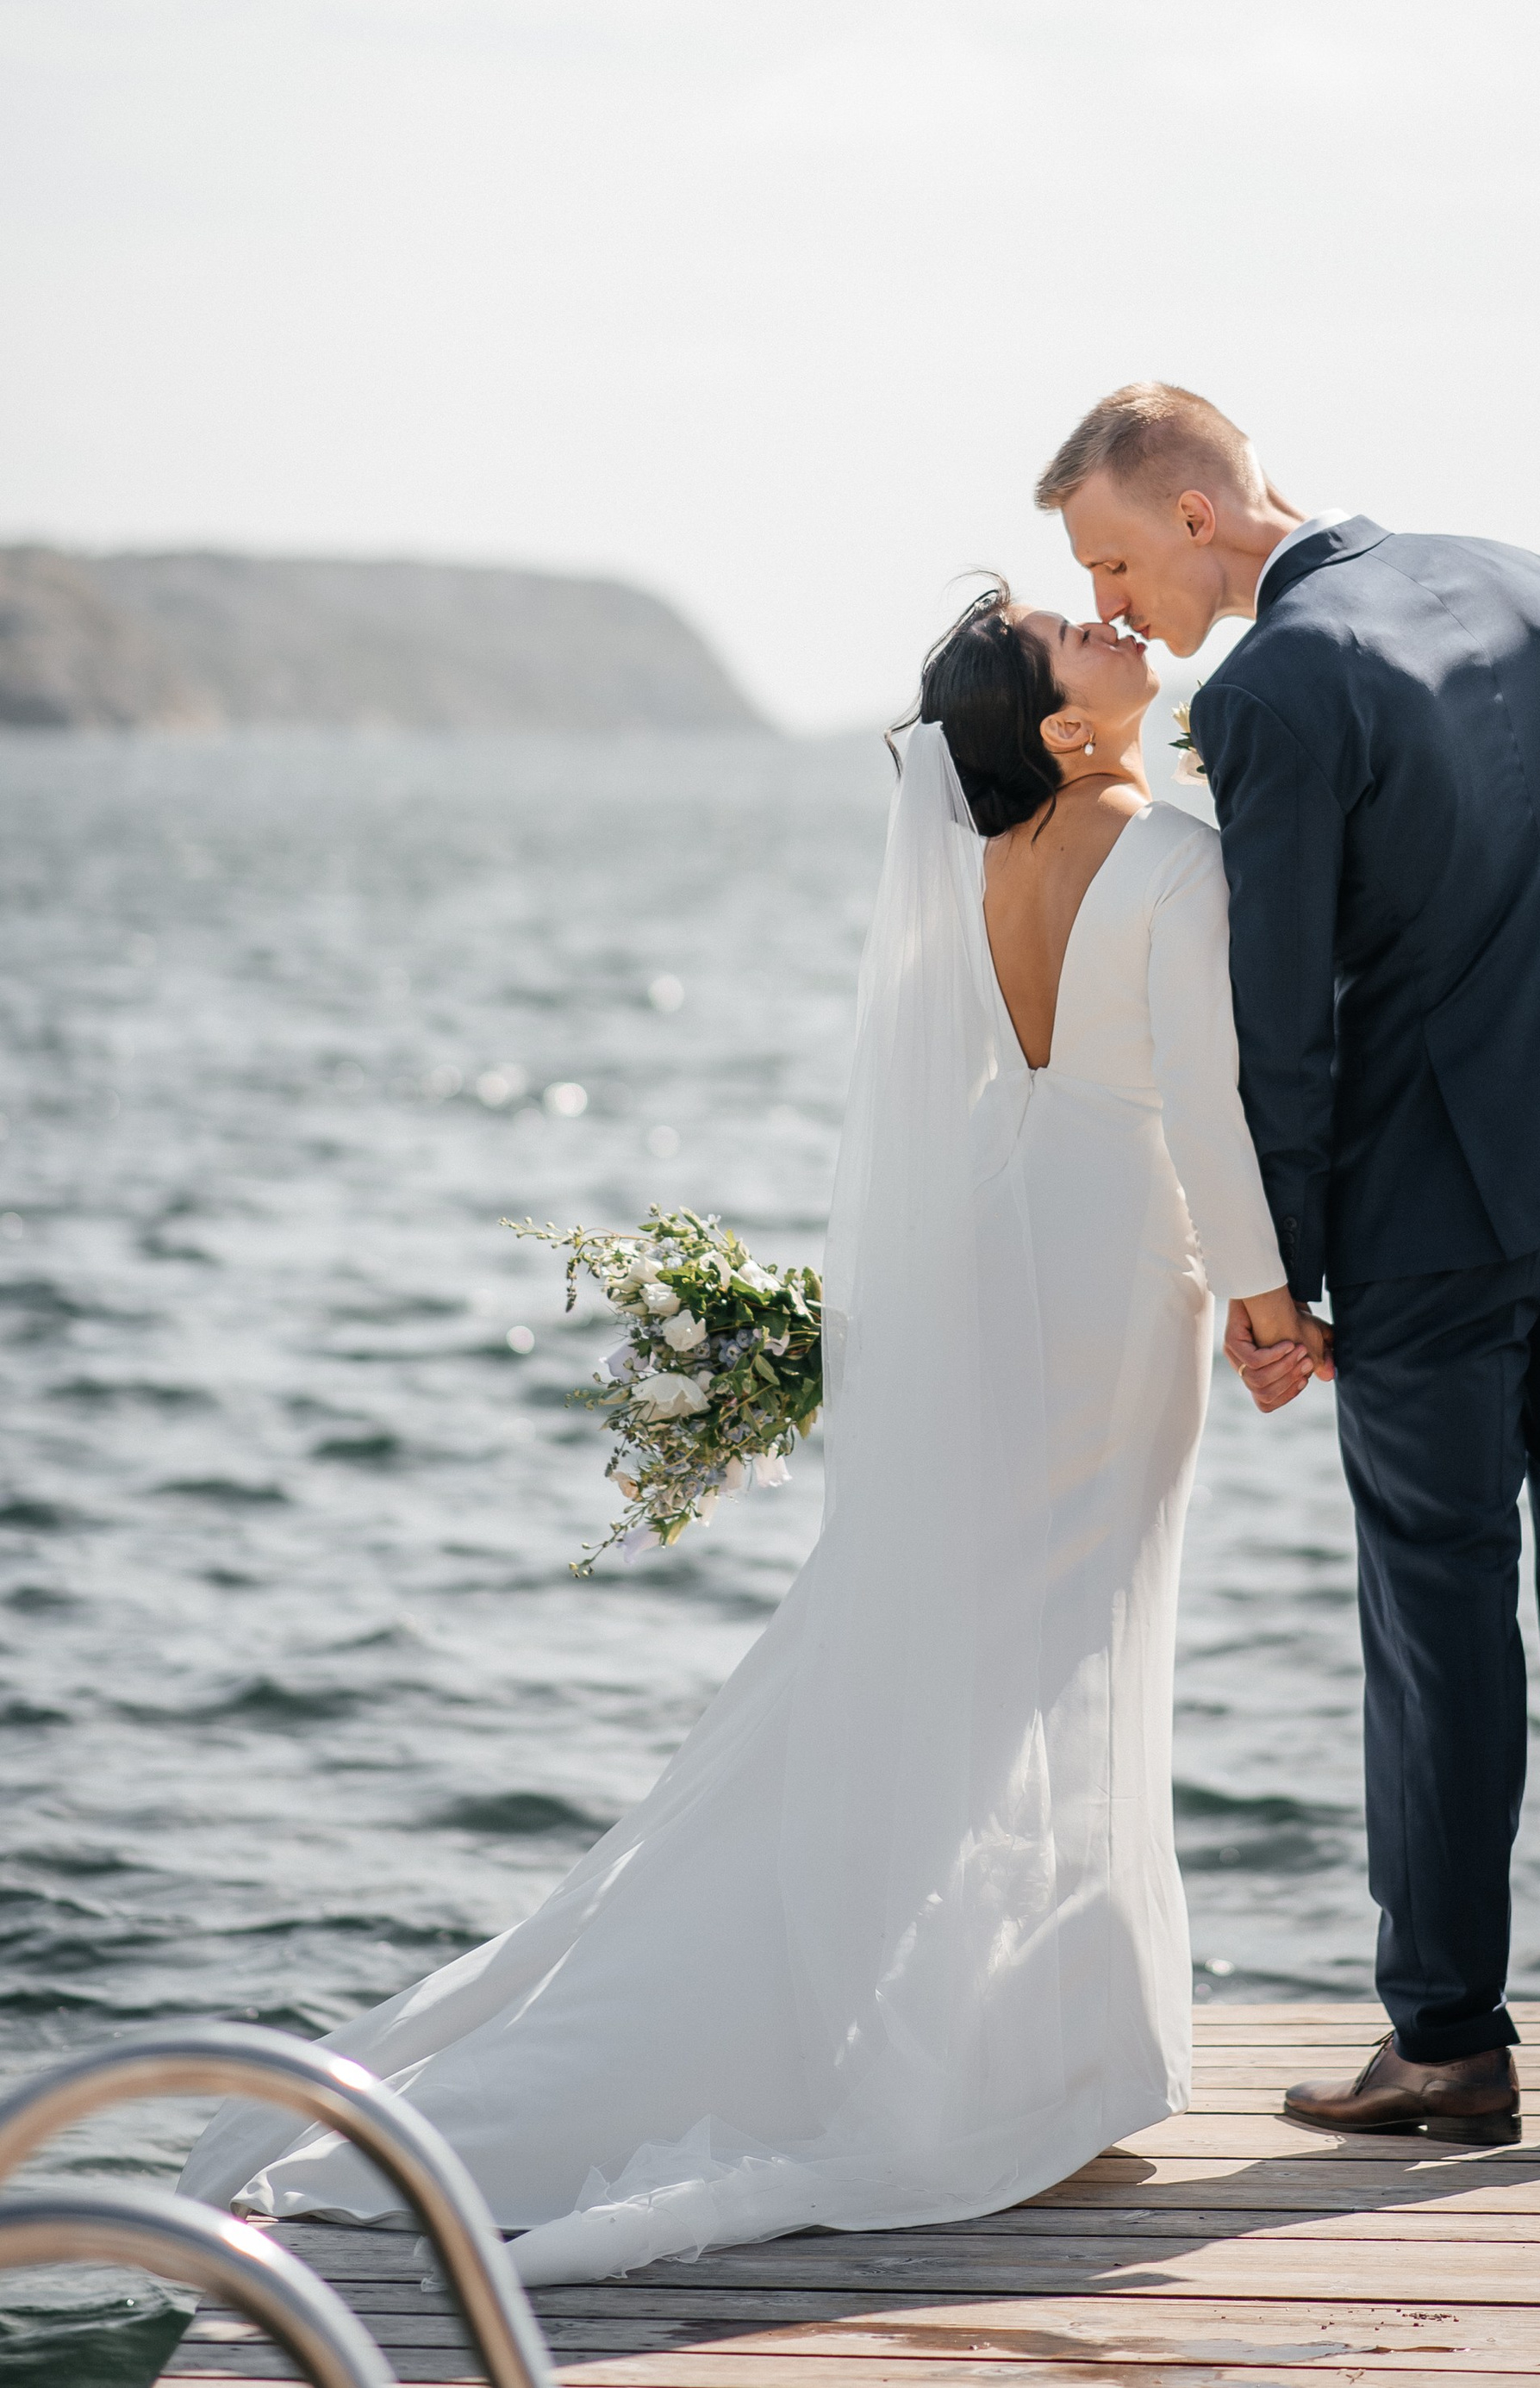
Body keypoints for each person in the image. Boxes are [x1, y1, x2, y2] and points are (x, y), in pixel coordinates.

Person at [180, 585, 1299, 2274]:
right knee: (1076, 1638)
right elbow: (1205, 1102)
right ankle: (1032, 2051)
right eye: (1073, 636)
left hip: (1000, 1250)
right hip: (1119, 1261)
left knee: (1000, 1639)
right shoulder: (1168, 858)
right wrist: (1269, 1296)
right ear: (1065, 732)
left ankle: (1030, 2038)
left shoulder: (986, 860)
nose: (1109, 627)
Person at [1038, 384, 1540, 2152]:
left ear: (1201, 510)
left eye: (1118, 560)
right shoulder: (1537, 579)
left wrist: (1270, 1271)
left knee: (1437, 1613)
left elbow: (1278, 1012)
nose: (1117, 604)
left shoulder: (1271, 688)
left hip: (1436, 1202)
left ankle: (1446, 2044)